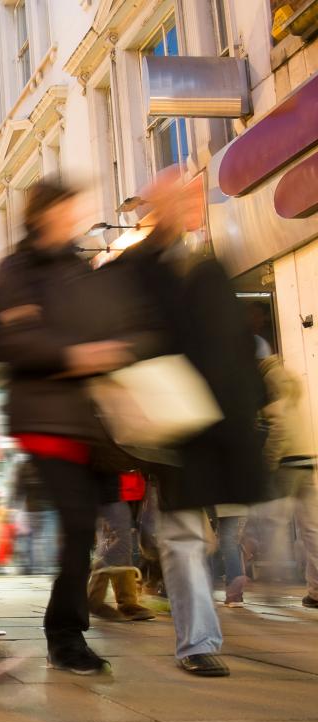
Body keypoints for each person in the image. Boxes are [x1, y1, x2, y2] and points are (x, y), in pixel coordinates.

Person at [0, 179, 159, 675]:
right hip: (43, 419)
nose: (73, 218)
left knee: (90, 527)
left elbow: (108, 326)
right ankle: (65, 635)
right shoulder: (16, 270)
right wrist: (74, 354)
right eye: (64, 210)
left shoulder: (77, 267)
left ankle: (68, 628)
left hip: (88, 422)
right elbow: (12, 342)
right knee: (80, 525)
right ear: (40, 215)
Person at [120, 170, 270, 676]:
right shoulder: (142, 267)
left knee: (199, 530)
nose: (189, 205)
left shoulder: (204, 268)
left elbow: (234, 348)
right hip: (172, 421)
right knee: (184, 532)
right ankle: (198, 641)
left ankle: (198, 632)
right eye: (177, 197)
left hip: (214, 423)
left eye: (189, 197)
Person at [257, 354, 318, 609]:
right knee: (312, 528)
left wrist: (267, 464)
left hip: (287, 464)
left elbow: (279, 425)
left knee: (274, 525)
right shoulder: (291, 379)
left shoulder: (271, 380)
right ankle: (315, 591)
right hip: (308, 459)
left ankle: (274, 585)